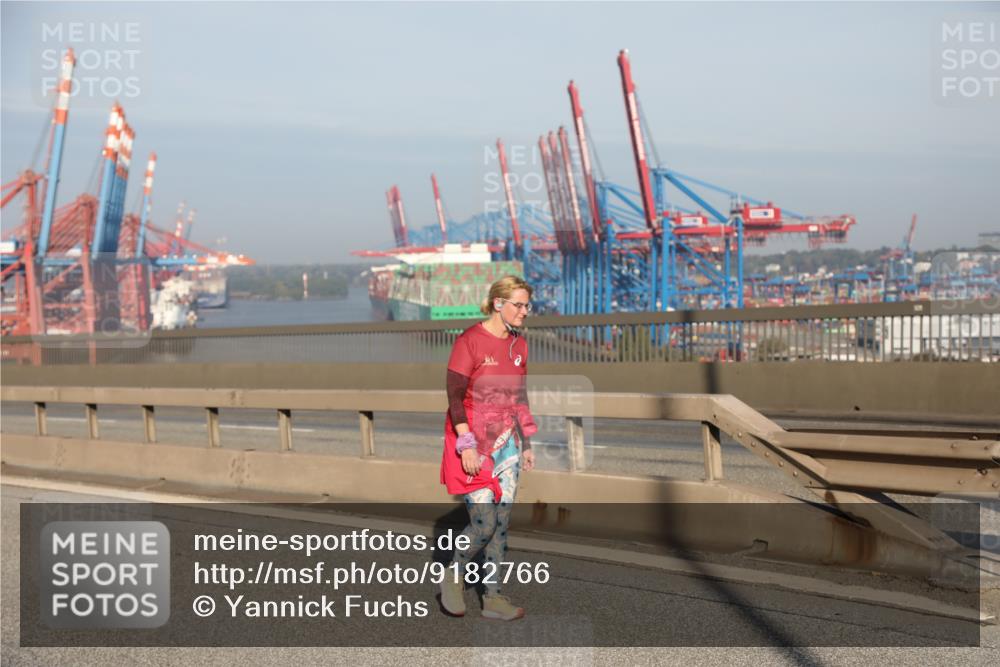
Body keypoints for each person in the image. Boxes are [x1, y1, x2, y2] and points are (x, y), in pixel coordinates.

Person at [438, 275, 537, 621]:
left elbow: (519, 396)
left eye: (527, 305)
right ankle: (453, 574)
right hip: (472, 444)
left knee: (502, 524)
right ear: (498, 304)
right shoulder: (469, 341)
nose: (525, 311)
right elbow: (454, 398)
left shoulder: (519, 346)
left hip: (507, 445)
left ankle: (492, 597)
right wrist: (466, 446)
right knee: (484, 523)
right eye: (519, 305)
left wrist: (526, 442)